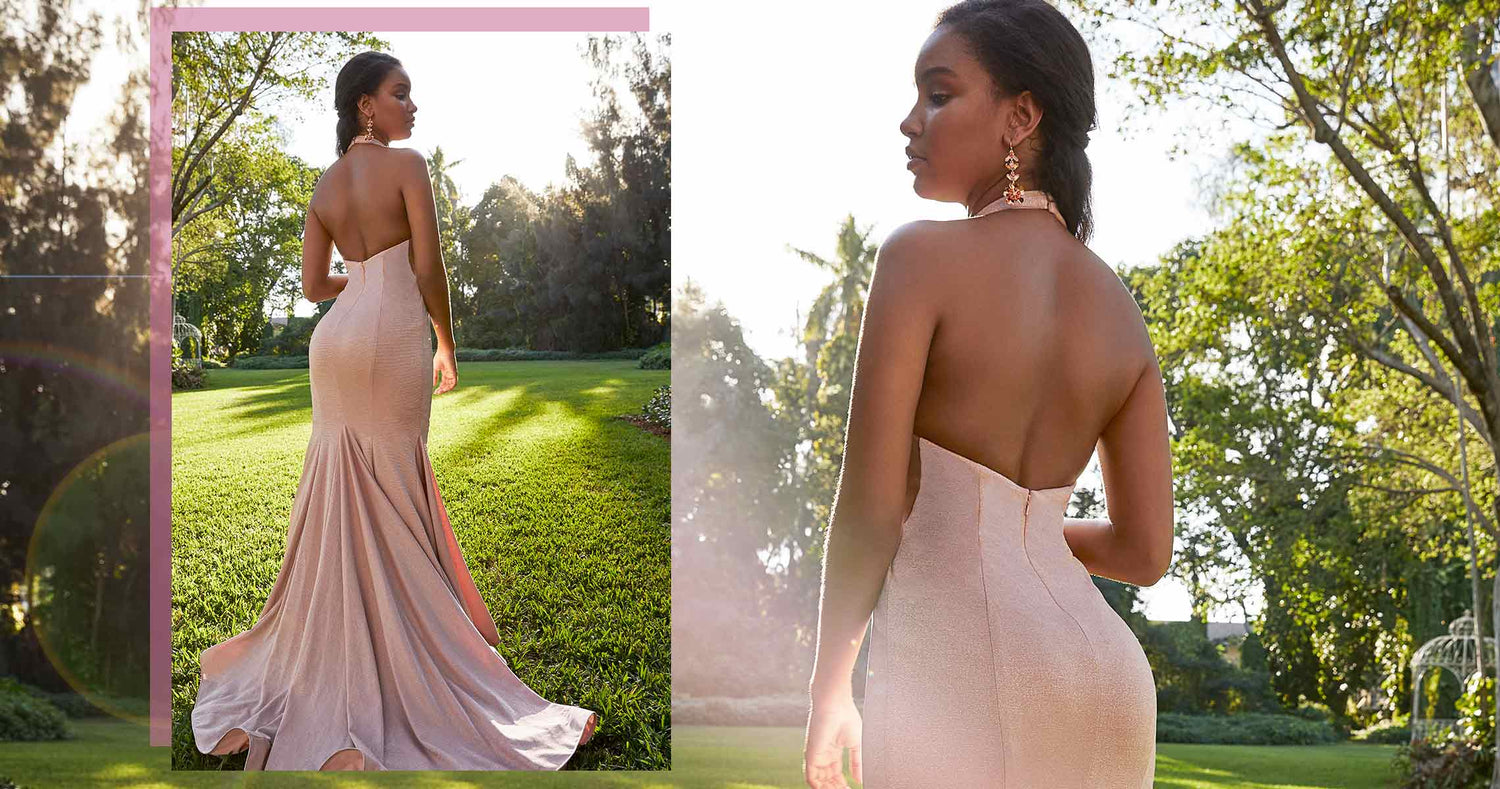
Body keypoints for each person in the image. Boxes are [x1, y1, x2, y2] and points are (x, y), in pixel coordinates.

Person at [189, 50, 598, 771]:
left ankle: (338, 654)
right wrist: (446, 338)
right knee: (397, 481)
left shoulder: (322, 186)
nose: (413, 108)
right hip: (393, 334)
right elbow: (430, 266)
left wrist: (362, 279)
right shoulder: (407, 166)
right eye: (400, 94)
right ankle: (405, 658)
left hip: (337, 340)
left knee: (341, 484)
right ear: (365, 107)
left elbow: (316, 283)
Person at [801, 2, 1173, 786]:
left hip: (962, 675)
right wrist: (1025, 539)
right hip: (1110, 681)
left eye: (938, 95)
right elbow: (1145, 554)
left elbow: (869, 509)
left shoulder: (918, 259)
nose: (910, 121)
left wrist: (829, 684)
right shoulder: (1121, 312)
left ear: (1020, 118)